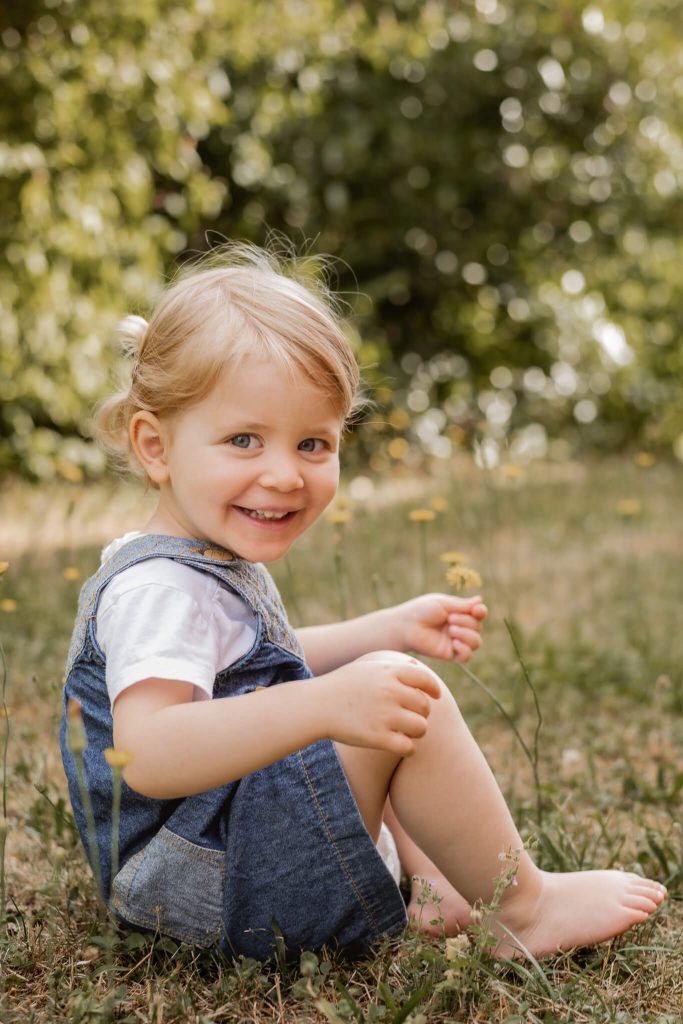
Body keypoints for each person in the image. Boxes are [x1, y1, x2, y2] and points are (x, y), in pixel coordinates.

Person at [60, 245, 666, 963]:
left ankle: (439, 885)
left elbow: (252, 670)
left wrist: (388, 627)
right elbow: (150, 754)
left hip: (209, 864)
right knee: (395, 698)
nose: (284, 473)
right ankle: (524, 910)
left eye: (312, 442)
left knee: (376, 688)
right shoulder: (159, 589)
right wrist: (324, 705)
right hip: (207, 889)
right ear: (155, 446)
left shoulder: (197, 565)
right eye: (244, 440)